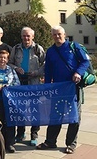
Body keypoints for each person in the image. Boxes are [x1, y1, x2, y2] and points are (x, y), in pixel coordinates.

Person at [36, 26, 90, 154]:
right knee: (55, 115)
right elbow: (48, 70)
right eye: (54, 35)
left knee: (74, 116)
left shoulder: (74, 47)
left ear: (64, 34)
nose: (57, 36)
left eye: (59, 34)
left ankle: (71, 144)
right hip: (58, 89)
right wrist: (48, 87)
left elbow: (85, 61)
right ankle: (50, 141)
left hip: (73, 87)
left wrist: (78, 72)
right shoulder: (51, 51)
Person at [9, 27, 45, 146]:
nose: (26, 38)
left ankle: (34, 134)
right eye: (24, 36)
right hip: (20, 82)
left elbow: (45, 63)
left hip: (34, 82)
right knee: (20, 108)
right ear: (21, 37)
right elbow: (10, 62)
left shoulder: (38, 49)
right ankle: (20, 133)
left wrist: (37, 72)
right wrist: (16, 68)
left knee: (35, 109)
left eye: (28, 36)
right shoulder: (16, 48)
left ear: (33, 37)